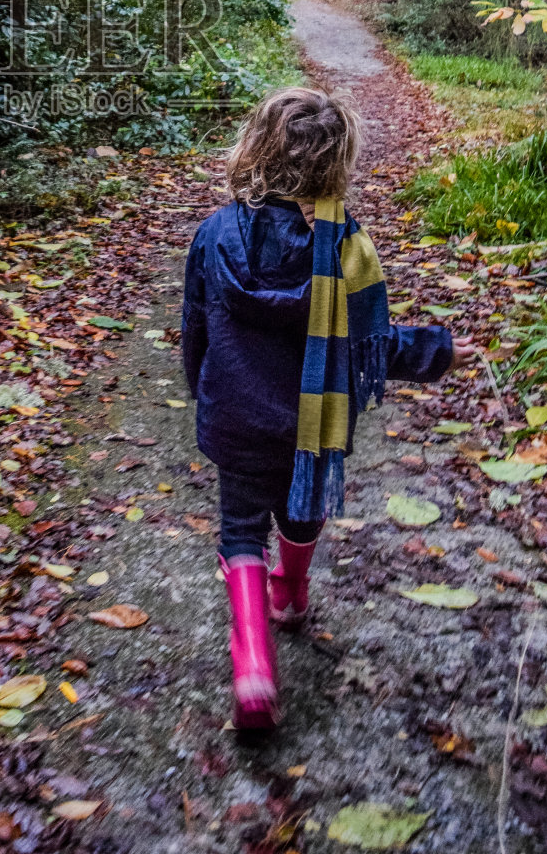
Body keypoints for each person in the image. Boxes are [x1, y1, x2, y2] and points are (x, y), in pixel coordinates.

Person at [180, 86, 478, 731]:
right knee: (302, 503)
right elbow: (373, 348)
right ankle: (291, 593)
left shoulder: (214, 234)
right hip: (314, 422)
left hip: (236, 413)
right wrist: (440, 351)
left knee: (239, 529)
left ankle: (254, 667)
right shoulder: (348, 248)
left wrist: (201, 394)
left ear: (255, 148)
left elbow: (195, 329)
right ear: (337, 162)